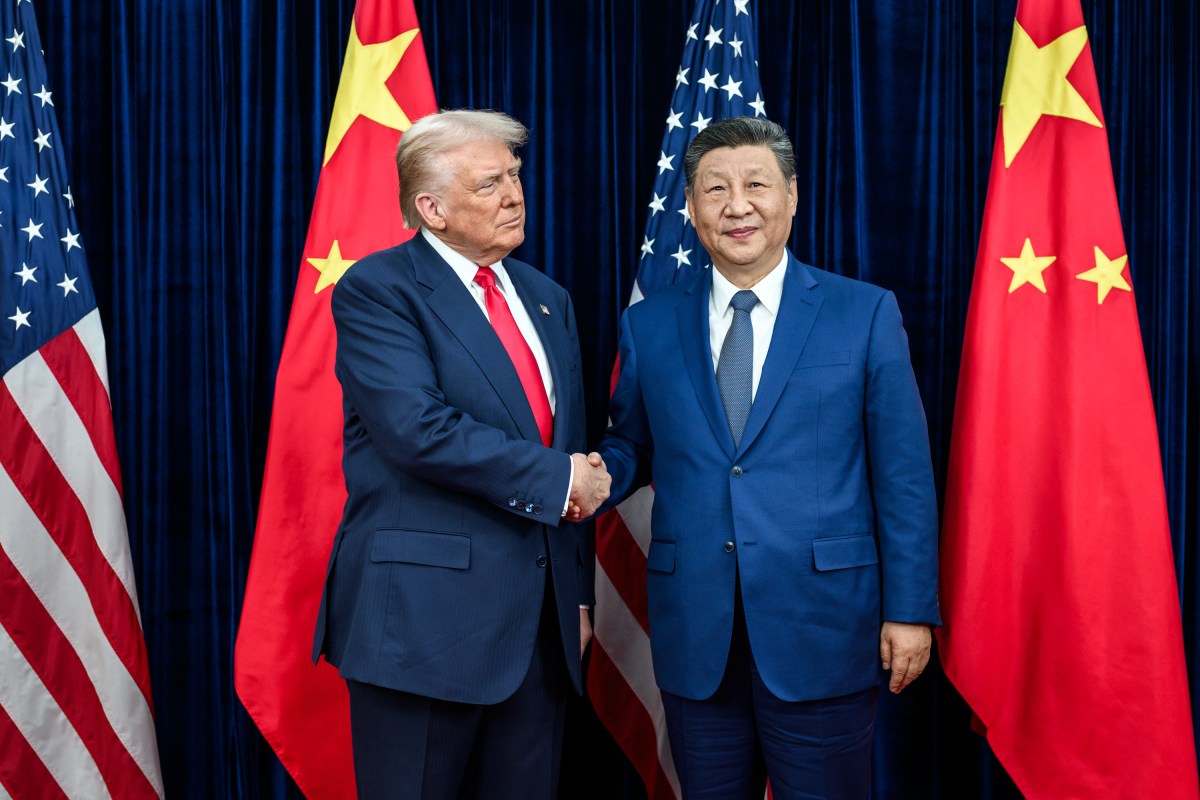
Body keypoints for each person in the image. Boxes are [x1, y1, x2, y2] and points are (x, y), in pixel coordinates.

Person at [596, 116, 939, 799]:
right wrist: (588, 476)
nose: (736, 205)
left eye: (756, 184)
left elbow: (902, 476)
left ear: (791, 195)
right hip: (698, 635)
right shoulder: (649, 322)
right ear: (690, 208)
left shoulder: (863, 313)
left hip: (825, 628)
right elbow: (632, 442)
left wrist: (910, 609)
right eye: (714, 188)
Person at [312, 109, 610, 800]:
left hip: (540, 631)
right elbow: (417, 428)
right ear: (432, 208)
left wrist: (578, 595)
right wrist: (562, 476)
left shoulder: (546, 298)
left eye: (514, 176)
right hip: (421, 628)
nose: (513, 194)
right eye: (489, 184)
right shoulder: (378, 290)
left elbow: (564, 440)